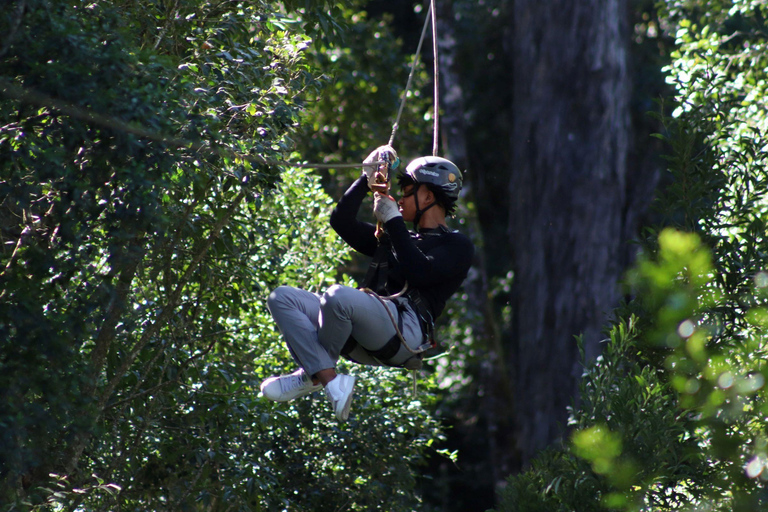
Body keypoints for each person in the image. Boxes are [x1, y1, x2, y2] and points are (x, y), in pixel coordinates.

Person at [260, 146, 474, 422]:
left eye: (408, 191)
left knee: (337, 296)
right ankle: (324, 377)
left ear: (429, 196)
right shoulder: (397, 239)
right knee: (282, 298)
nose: (400, 199)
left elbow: (420, 271)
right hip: (362, 328)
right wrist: (366, 176)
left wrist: (394, 223)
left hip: (403, 333)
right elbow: (342, 222)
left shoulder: (457, 245)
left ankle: (312, 373)